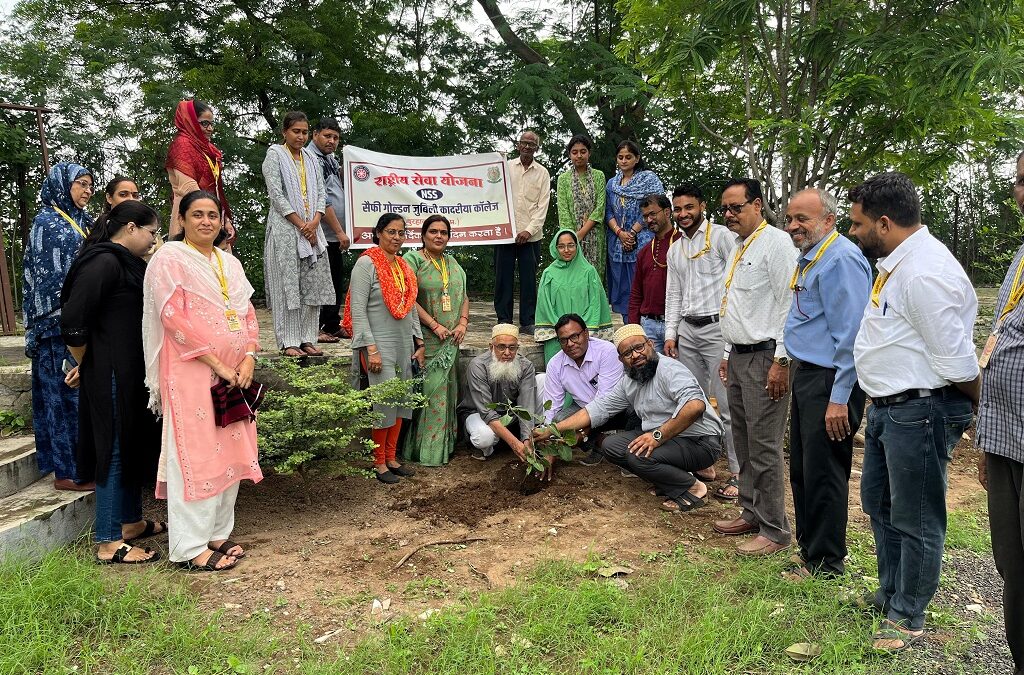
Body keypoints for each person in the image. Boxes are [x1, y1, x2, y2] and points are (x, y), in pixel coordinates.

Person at [850, 172, 979, 652]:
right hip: (891, 408)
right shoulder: (898, 264)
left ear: (884, 223)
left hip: (921, 409)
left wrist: (978, 407)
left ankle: (909, 613)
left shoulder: (925, 272)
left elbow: (957, 362)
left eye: (858, 224)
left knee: (916, 515)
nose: (853, 232)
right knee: (880, 505)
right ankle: (889, 593)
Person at [143, 190, 263, 571]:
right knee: (195, 455)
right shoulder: (169, 259)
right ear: (181, 219)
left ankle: (217, 533)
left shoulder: (231, 263)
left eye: (213, 214)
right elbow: (172, 319)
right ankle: (189, 546)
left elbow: (248, 314)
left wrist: (248, 357)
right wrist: (219, 364)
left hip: (236, 375)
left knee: (230, 450)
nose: (206, 221)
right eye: (197, 214)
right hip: (192, 372)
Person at [61, 201, 165, 564]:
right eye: (152, 232)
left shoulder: (128, 263)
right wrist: (86, 363)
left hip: (130, 370)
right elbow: (73, 323)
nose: (154, 240)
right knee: (114, 449)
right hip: (111, 372)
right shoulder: (104, 261)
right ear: (131, 228)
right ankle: (108, 542)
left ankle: (130, 522)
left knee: (131, 443)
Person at [534, 324, 724, 513]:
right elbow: (596, 409)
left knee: (638, 455)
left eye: (639, 347)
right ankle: (670, 481)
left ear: (650, 344)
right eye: (627, 353)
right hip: (671, 441)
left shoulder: (669, 369)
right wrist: (551, 430)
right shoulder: (630, 380)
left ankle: (693, 488)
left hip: (700, 442)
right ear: (621, 359)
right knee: (612, 446)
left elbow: (695, 406)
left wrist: (658, 436)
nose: (635, 355)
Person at [780, 189, 871, 579]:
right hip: (809, 375)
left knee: (824, 472)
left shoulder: (840, 260)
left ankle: (826, 563)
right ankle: (810, 552)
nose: (793, 226)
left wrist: (839, 398)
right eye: (790, 218)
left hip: (832, 379)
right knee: (804, 469)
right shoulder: (812, 258)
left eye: (802, 218)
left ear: (829, 220)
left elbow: (851, 337)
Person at [713, 177, 798, 557]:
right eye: (725, 209)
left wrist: (781, 360)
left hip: (766, 358)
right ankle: (750, 512)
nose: (729, 215)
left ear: (758, 205)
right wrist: (727, 352)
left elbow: (789, 305)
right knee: (743, 440)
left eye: (736, 207)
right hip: (739, 355)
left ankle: (775, 529)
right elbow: (736, 305)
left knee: (764, 446)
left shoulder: (777, 244)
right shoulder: (738, 245)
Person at [977, 151, 1024, 675]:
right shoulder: (1020, 257)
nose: (1022, 191)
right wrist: (986, 445)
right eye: (1020, 181)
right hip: (1007, 438)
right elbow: (999, 341)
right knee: (1012, 564)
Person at [23, 162, 96, 491]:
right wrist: (68, 314)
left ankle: (86, 466)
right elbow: (48, 277)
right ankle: (67, 473)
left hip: (83, 320)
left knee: (80, 399)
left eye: (90, 185)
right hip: (56, 325)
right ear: (61, 185)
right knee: (62, 398)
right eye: (81, 184)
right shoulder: (47, 222)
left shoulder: (83, 220)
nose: (87, 191)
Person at [664, 183, 739, 499]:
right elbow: (673, 294)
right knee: (692, 402)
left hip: (718, 329)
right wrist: (671, 334)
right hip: (688, 331)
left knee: (727, 404)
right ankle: (704, 464)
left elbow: (736, 285)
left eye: (689, 207)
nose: (683, 214)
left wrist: (730, 341)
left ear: (702, 206)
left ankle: (739, 474)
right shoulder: (675, 248)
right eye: (678, 209)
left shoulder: (722, 237)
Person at [343, 213, 424, 483]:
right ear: (378, 233)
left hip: (403, 345)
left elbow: (410, 306)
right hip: (378, 346)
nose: (397, 237)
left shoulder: (403, 266)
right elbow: (357, 310)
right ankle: (378, 462)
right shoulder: (366, 263)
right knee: (384, 403)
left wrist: (419, 343)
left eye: (401, 233)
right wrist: (371, 349)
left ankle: (391, 457)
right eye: (391, 232)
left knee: (401, 402)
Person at [262, 111, 334, 357]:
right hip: (285, 230)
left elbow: (322, 193)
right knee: (287, 286)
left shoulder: (311, 158)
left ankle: (307, 339)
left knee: (312, 286)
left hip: (313, 231)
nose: (301, 136)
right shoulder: (275, 154)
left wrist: (314, 222)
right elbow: (276, 194)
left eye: (304, 132)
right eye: (296, 131)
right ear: (284, 132)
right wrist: (301, 224)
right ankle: (288, 341)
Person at [401, 214, 469, 467]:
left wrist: (462, 323)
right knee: (430, 396)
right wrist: (433, 325)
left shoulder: (453, 263)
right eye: (433, 231)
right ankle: (425, 452)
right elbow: (408, 299)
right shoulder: (413, 260)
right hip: (426, 339)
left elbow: (464, 296)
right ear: (423, 235)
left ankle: (443, 449)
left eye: (443, 232)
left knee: (448, 394)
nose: (439, 236)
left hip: (451, 340)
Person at [542, 314, 630, 466]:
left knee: (634, 412)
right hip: (583, 407)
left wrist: (583, 431)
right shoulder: (555, 364)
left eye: (574, 336)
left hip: (616, 407)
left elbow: (605, 401)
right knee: (558, 421)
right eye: (563, 340)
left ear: (586, 333)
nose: (570, 344)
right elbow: (551, 406)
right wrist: (547, 440)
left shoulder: (606, 351)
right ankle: (600, 443)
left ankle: (616, 446)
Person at [495, 130, 550, 335]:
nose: (527, 146)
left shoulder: (542, 173)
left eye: (532, 144)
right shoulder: (506, 168)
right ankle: (504, 320)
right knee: (503, 278)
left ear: (537, 148)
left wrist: (529, 230)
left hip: (531, 236)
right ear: (518, 145)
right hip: (506, 234)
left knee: (528, 280)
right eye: (524, 143)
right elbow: (495, 196)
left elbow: (542, 206)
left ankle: (528, 321)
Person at [457, 324, 539, 461]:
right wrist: (515, 444)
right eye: (501, 347)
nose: (507, 353)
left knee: (542, 380)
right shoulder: (478, 365)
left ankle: (529, 439)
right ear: (491, 347)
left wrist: (526, 440)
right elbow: (486, 412)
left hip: (510, 415)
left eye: (512, 347)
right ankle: (488, 448)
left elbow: (527, 405)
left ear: (517, 348)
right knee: (484, 437)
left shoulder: (526, 365)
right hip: (478, 413)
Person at [605, 140, 664, 320]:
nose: (624, 161)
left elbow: (655, 206)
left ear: (637, 158)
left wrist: (631, 233)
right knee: (623, 289)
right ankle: (628, 327)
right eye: (620, 157)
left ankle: (647, 327)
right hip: (618, 244)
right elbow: (608, 211)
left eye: (628, 157)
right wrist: (619, 233)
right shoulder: (612, 184)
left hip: (642, 240)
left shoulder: (648, 179)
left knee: (643, 285)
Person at [534, 229, 613, 362]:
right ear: (555, 248)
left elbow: (595, 303)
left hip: (583, 335)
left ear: (577, 246)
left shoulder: (589, 272)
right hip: (557, 336)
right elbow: (544, 305)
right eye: (561, 246)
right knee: (558, 371)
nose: (566, 250)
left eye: (571, 245)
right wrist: (562, 328)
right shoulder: (549, 273)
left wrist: (580, 329)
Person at [308, 117, 352, 343]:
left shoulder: (330, 159)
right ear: (315, 134)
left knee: (335, 278)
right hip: (320, 233)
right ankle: (315, 327)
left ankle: (332, 324)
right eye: (327, 136)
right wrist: (340, 231)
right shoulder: (310, 159)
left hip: (334, 235)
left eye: (335, 137)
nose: (332, 141)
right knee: (319, 281)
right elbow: (322, 200)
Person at [165, 99, 234, 244]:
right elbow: (189, 188)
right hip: (192, 219)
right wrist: (212, 217)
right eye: (204, 123)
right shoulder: (182, 144)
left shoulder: (209, 150)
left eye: (211, 124)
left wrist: (225, 220)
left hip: (212, 218)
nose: (210, 128)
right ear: (190, 121)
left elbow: (217, 190)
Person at [627, 194, 677, 353]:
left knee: (677, 368)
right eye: (645, 216)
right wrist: (634, 328)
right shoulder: (644, 252)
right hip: (648, 325)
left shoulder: (683, 243)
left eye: (653, 214)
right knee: (651, 369)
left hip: (676, 324)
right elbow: (636, 294)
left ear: (667, 212)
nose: (649, 220)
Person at [556, 134, 607, 282]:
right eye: (575, 152)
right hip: (571, 239)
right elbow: (563, 211)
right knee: (573, 279)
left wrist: (582, 232)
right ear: (569, 155)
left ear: (589, 153)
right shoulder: (563, 179)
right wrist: (572, 237)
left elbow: (600, 207)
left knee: (594, 277)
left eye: (583, 151)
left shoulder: (599, 176)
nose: (579, 155)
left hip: (595, 234)